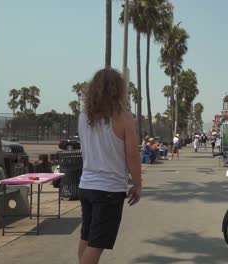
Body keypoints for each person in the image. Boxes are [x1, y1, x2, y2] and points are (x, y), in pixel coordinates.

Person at [77, 68, 142, 264]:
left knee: (87, 237)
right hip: (108, 189)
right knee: (96, 245)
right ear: (118, 90)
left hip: (86, 186)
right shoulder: (124, 117)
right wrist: (138, 184)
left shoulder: (83, 117)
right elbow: (132, 155)